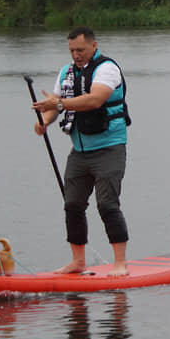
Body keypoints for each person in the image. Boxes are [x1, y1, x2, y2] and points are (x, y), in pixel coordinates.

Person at [33, 26, 131, 277]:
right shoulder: (66, 72)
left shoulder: (107, 69)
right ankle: (78, 261)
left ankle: (120, 263)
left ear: (94, 46)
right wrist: (45, 120)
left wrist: (57, 103)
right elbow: (56, 104)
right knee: (72, 205)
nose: (75, 55)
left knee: (107, 205)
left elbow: (94, 100)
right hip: (79, 151)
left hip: (109, 149)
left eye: (80, 49)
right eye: (71, 50)